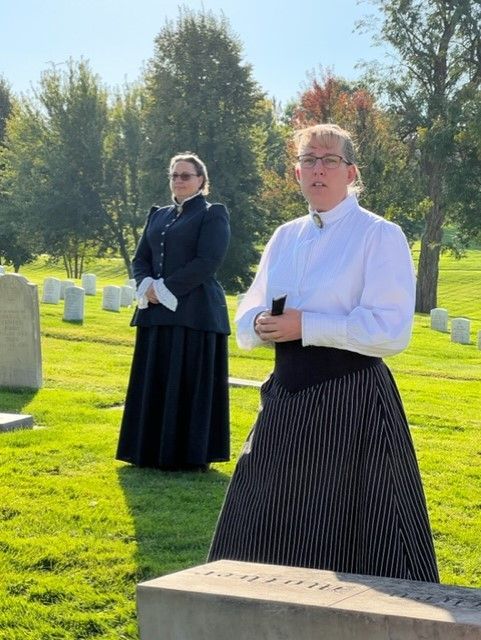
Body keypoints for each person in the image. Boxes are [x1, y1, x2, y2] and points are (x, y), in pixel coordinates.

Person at [208, 124, 439, 582]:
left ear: (351, 172)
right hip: (285, 396)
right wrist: (258, 324)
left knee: (354, 531)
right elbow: (249, 307)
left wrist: (306, 325)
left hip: (351, 401)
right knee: (258, 515)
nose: (318, 169)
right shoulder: (285, 235)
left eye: (329, 160)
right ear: (297, 173)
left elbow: (391, 330)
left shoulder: (379, 235)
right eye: (308, 160)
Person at [116, 152, 231, 471]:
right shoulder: (158, 215)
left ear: (201, 181)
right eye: (174, 175)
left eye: (186, 175)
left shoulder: (212, 214)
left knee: (188, 383)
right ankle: (149, 452)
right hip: (155, 314)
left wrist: (164, 289)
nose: (178, 180)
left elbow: (208, 262)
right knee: (155, 380)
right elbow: (140, 259)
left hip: (195, 314)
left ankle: (188, 457)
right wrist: (146, 286)